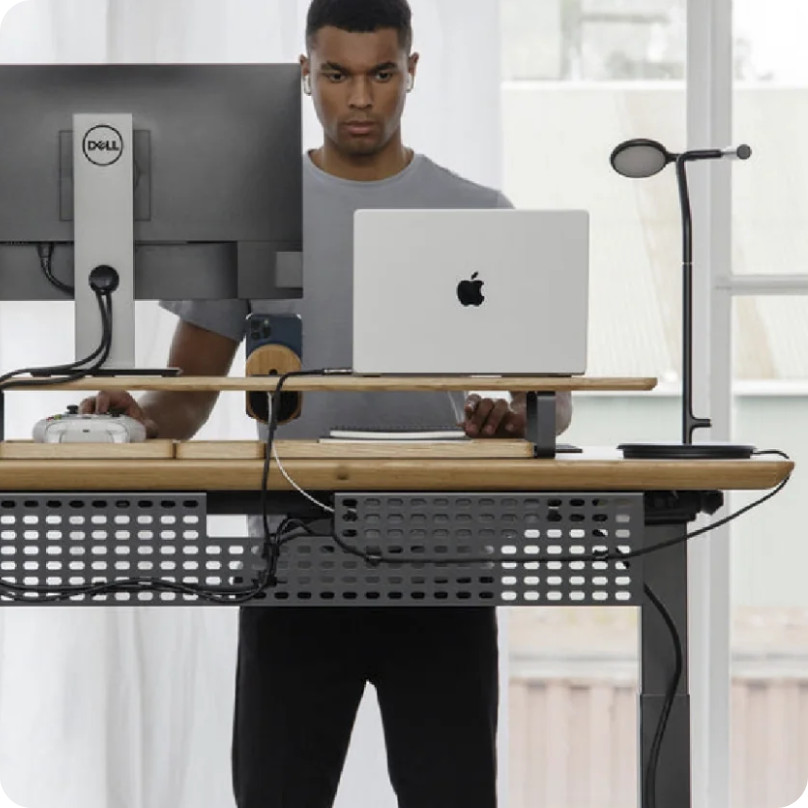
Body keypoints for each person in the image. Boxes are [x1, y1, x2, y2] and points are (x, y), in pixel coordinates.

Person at [80, 1, 572, 805]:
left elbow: (549, 408)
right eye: (337, 75)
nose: (360, 99)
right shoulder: (247, 211)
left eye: (382, 74)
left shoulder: (477, 213)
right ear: (305, 73)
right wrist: (131, 415)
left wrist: (518, 422)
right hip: (295, 562)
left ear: (412, 71)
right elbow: (187, 403)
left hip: (441, 563)